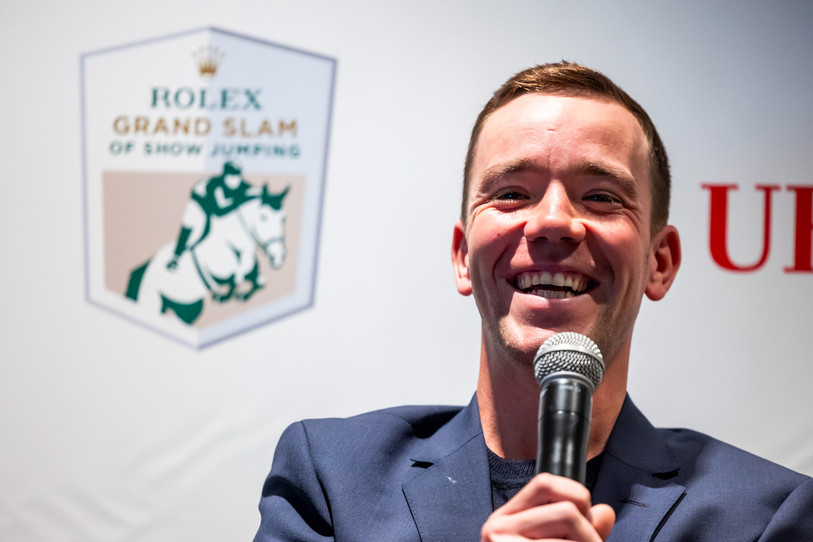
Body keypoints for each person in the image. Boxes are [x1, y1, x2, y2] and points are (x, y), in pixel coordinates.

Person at [253, 62, 813, 541]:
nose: (551, 222)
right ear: (460, 254)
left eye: (600, 197)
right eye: (511, 194)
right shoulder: (332, 477)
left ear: (658, 262)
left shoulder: (766, 515)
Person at [166, 161, 254, 270]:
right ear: (225, 176)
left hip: (218, 207)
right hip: (200, 201)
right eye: (231, 176)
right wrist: (240, 201)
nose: (233, 180)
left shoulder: (244, 185)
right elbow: (218, 210)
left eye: (236, 176)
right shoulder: (214, 185)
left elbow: (255, 194)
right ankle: (176, 257)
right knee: (191, 222)